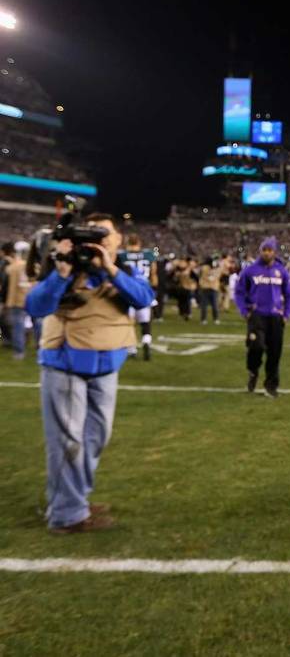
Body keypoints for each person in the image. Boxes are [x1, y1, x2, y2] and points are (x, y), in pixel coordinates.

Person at [25, 213, 155, 533]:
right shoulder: (65, 267)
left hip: (108, 365)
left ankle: (75, 498)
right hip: (66, 363)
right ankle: (67, 513)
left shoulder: (122, 269)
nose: (100, 241)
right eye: (93, 235)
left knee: (96, 438)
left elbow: (144, 299)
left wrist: (110, 269)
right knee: (68, 442)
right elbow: (36, 306)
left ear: (118, 239)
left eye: (105, 234)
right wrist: (61, 274)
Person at [234, 237, 290, 398]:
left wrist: (286, 314)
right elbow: (239, 292)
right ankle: (253, 371)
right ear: (260, 251)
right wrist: (244, 311)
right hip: (257, 316)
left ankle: (271, 386)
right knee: (256, 346)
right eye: (264, 250)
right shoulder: (250, 270)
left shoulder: (281, 271)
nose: (267, 253)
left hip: (275, 317)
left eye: (269, 250)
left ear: (274, 252)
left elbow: (289, 294)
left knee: (274, 353)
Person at [119, 235, 158, 360]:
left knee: (129, 323)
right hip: (143, 290)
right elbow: (154, 274)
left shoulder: (122, 255)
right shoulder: (148, 254)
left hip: (128, 289)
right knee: (145, 323)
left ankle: (132, 349)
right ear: (139, 242)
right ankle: (146, 341)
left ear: (127, 242)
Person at [4, 242, 33, 359]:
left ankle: (19, 351)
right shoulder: (32, 265)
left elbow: (8, 274)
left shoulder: (14, 266)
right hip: (31, 297)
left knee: (17, 326)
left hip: (17, 300)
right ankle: (41, 347)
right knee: (37, 323)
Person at [197, 258, 223, 324]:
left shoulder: (205, 268)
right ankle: (212, 319)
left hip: (210, 287)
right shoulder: (206, 268)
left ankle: (206, 319)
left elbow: (215, 276)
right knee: (209, 305)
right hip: (209, 287)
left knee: (211, 305)